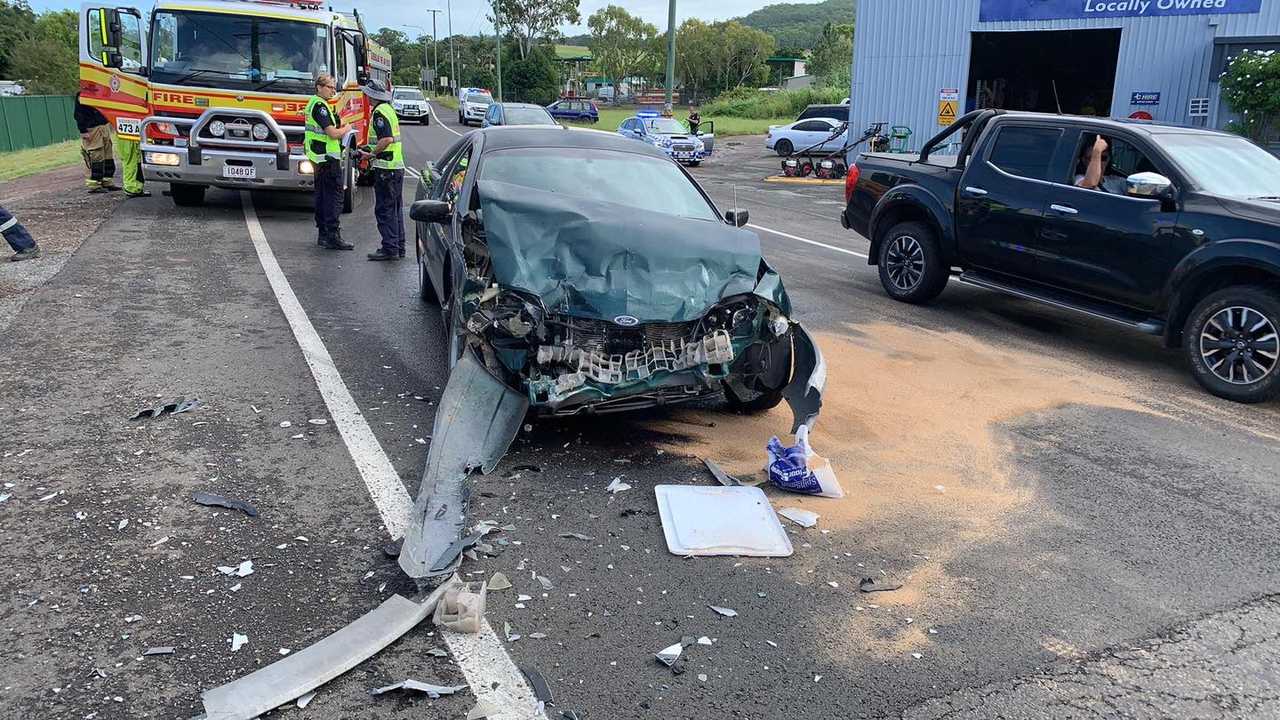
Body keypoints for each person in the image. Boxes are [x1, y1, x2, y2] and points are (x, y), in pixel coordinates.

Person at [304, 74, 353, 250]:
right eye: (329, 86)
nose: (333, 90)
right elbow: (332, 133)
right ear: (319, 87)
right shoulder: (319, 106)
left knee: (323, 197)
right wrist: (346, 129)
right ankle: (333, 236)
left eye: (334, 87)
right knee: (334, 198)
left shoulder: (320, 105)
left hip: (320, 159)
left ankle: (323, 234)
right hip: (327, 159)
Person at [358, 80, 405, 262]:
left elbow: (385, 140)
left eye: (367, 94)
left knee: (384, 209)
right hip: (396, 167)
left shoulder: (379, 113)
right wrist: (369, 149)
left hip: (386, 169)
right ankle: (398, 246)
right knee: (395, 210)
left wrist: (369, 156)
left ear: (372, 96)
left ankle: (389, 248)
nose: (366, 97)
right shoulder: (388, 110)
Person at [74, 93, 118, 193]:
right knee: (96, 155)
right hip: (92, 129)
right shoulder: (82, 94)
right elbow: (78, 114)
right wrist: (83, 130)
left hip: (103, 126)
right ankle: (94, 184)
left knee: (108, 154)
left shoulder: (100, 91)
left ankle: (107, 181)